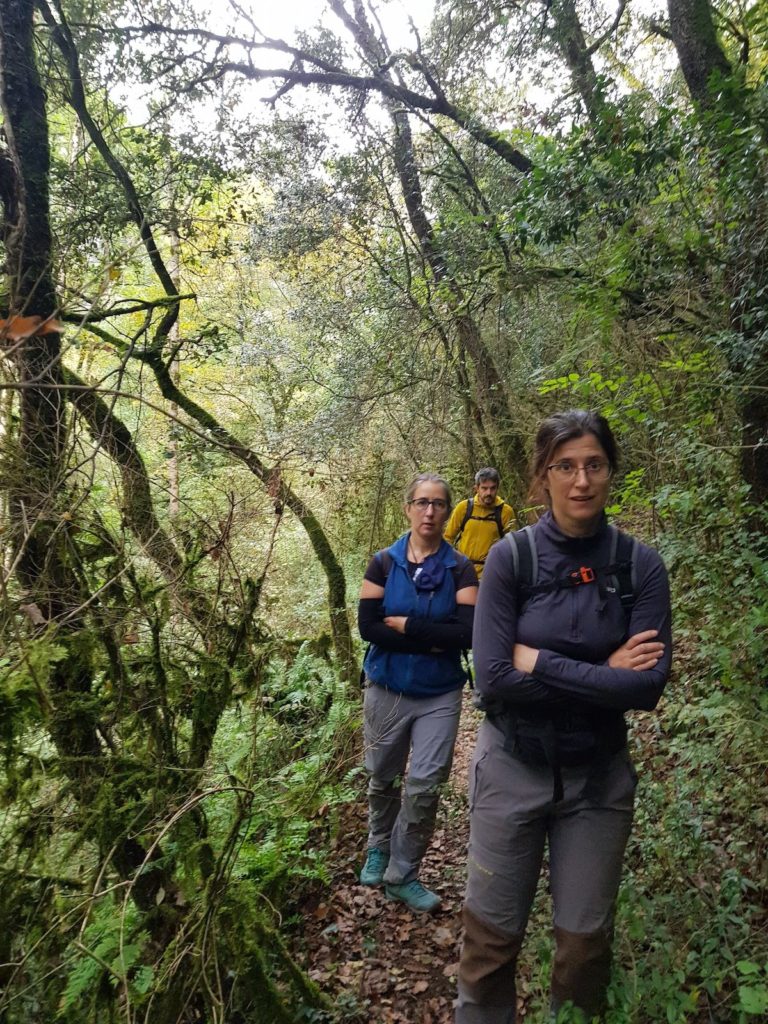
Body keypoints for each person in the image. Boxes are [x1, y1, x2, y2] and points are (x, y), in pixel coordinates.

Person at [455, 410, 672, 1023]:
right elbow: (494, 677)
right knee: (489, 946)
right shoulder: (509, 560)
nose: (582, 480)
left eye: (594, 465)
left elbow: (648, 686)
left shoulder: (639, 566)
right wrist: (606, 671)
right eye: (566, 466)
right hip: (511, 768)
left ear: (611, 471)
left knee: (583, 950)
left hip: (598, 779)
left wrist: (541, 662)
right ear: (543, 476)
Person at [357, 472, 479, 913]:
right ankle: (378, 847)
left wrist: (408, 627)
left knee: (425, 786)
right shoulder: (383, 563)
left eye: (439, 504)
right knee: (383, 776)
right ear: (408, 507)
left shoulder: (460, 567)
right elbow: (368, 627)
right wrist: (433, 638)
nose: (430, 511)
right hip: (386, 687)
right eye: (422, 502)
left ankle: (403, 873)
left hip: (439, 694)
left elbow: (466, 634)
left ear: (448, 512)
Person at [444, 468, 515, 579]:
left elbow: (511, 546)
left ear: (497, 488)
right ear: (476, 488)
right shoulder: (464, 508)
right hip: (463, 571)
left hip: (492, 573)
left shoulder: (505, 512)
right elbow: (447, 538)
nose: (489, 493)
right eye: (484, 488)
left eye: (492, 488)